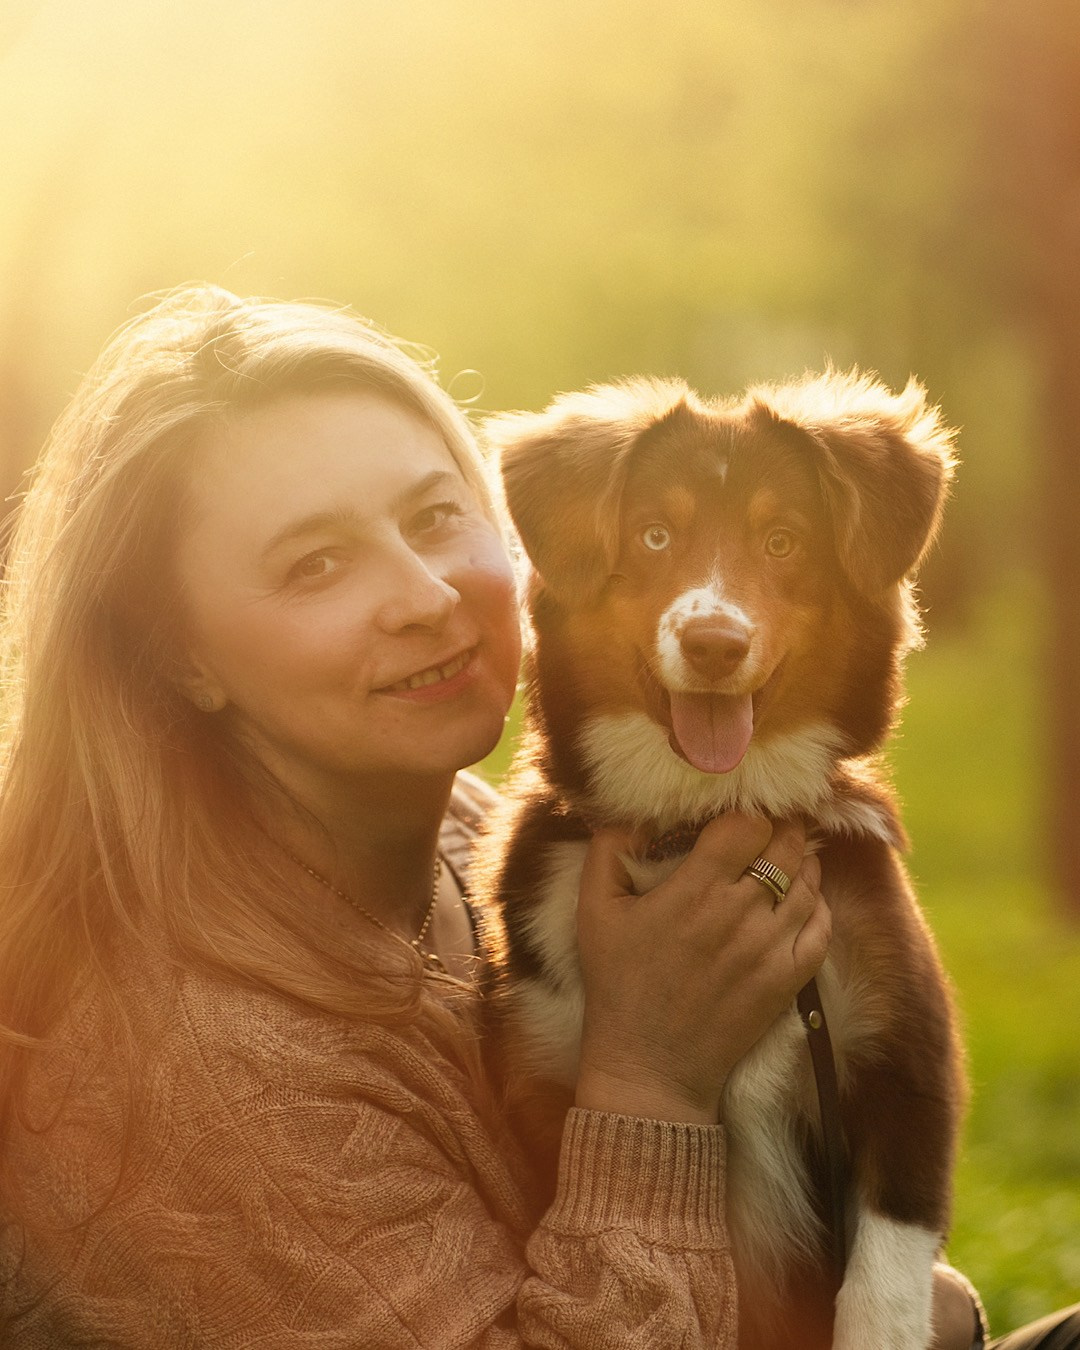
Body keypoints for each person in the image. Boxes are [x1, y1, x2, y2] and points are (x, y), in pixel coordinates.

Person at [0, 285, 1068, 1349]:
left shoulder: (473, 838)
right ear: (180, 654)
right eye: (315, 563)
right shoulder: (210, 1086)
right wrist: (649, 1079)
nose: (422, 593)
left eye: (433, 517)